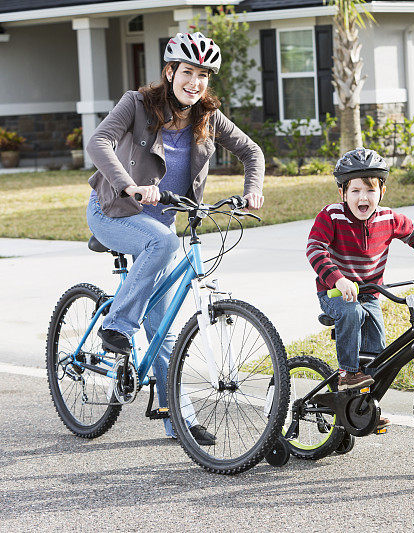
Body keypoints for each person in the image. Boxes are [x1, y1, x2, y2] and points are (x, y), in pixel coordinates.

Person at [85, 32, 265, 443]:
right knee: (162, 245)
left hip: (162, 221)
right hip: (114, 209)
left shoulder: (207, 117)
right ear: (170, 73)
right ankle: (118, 326)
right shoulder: (136, 104)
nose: (194, 81)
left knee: (164, 326)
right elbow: (99, 142)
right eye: (187, 72)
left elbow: (252, 152)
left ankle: (177, 419)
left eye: (203, 75)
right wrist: (129, 184)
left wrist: (253, 189)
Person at [306, 148, 414, 429]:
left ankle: (363, 409)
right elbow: (315, 249)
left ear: (381, 191)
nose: (363, 198)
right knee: (351, 312)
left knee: (378, 356)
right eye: (355, 191)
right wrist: (337, 278)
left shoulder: (388, 218)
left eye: (370, 190)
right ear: (342, 194)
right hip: (334, 292)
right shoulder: (332, 216)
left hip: (371, 294)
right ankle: (347, 374)